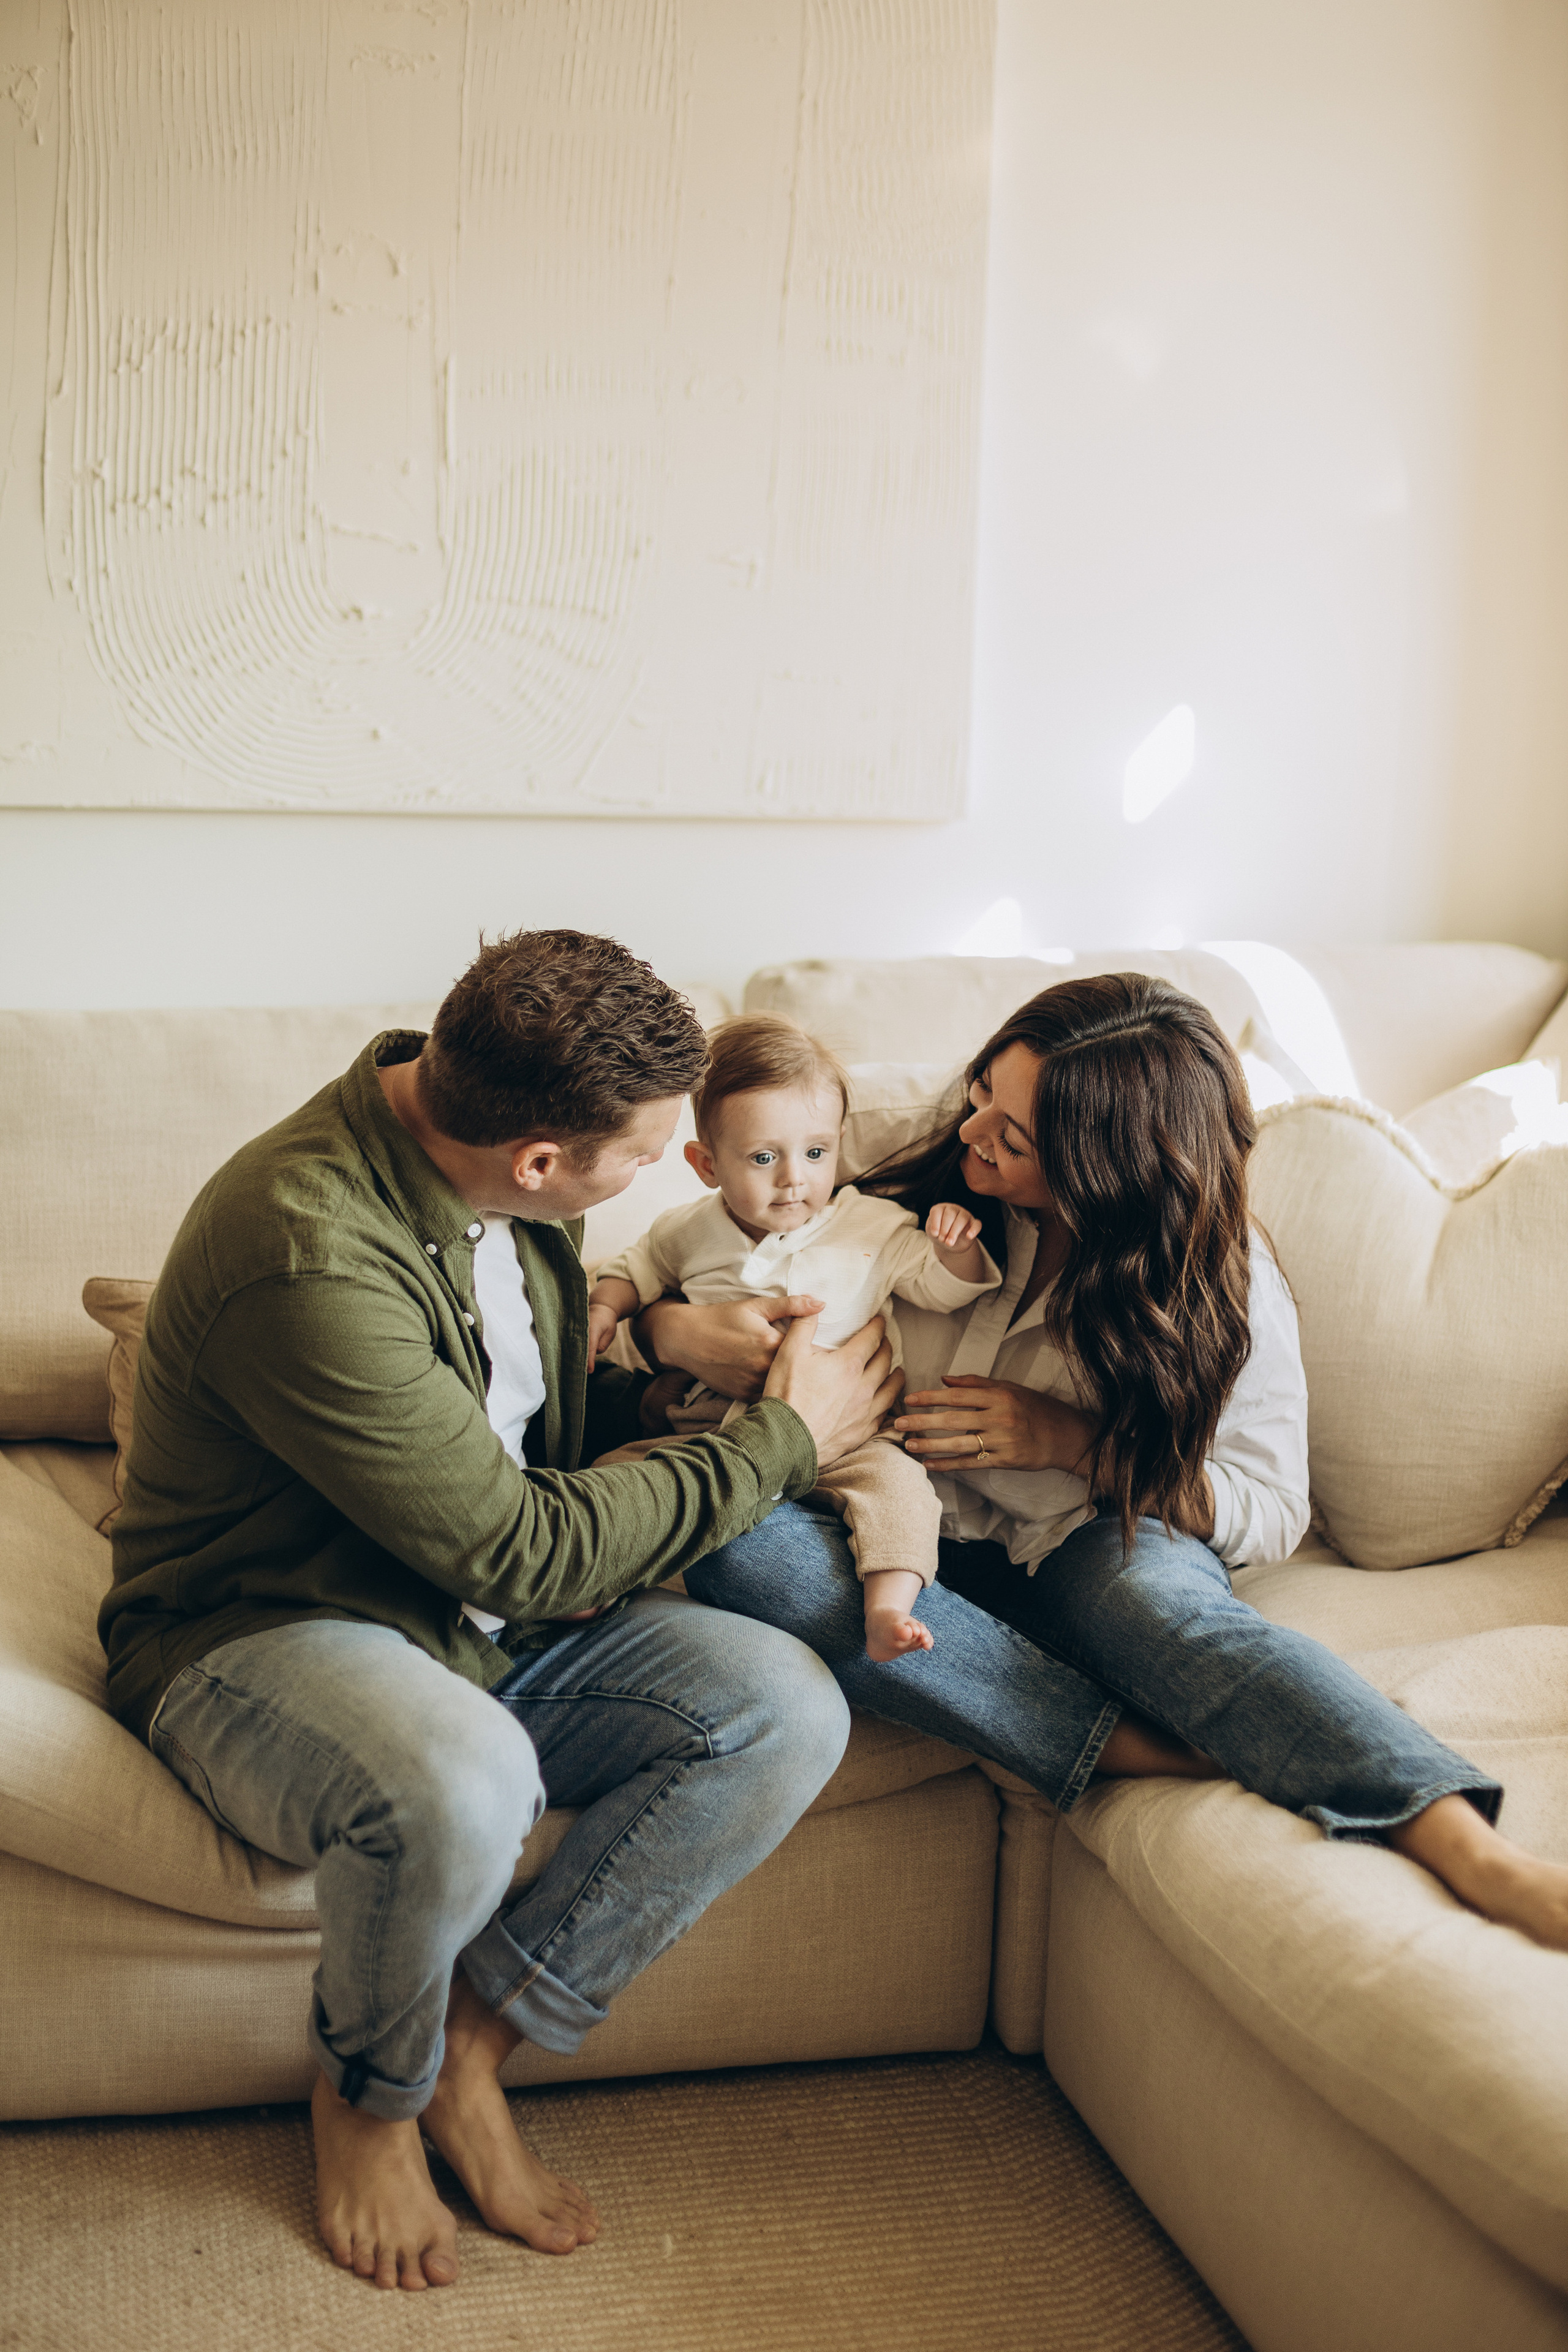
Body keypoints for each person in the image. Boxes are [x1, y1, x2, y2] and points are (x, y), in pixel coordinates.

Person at [97, 929, 901, 2293]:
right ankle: (368, 2093)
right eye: (644, 1153)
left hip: (472, 1624)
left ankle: (474, 2046)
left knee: (780, 1707)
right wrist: (784, 1437)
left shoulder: (510, 1180)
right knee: (463, 1781)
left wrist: (652, 1345)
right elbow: (524, 1547)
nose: (665, 1173)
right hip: (266, 1634)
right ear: (539, 1158)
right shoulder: (304, 1249)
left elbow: (532, 1438)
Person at [647, 974, 1568, 1952]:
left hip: (1081, 1535)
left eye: (1013, 1136)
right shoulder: (902, 1135)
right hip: (885, 1522)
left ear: (1108, 1166)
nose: (973, 1136)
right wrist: (679, 1332)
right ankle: (1107, 1741)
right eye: (981, 1097)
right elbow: (695, 1233)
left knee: (1163, 1614)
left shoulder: (1219, 1278)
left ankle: (1463, 1842)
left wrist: (1070, 1442)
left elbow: (1270, 1509)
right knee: (737, 1541)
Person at [588, 1014, 1001, 1662]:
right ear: (705, 1164)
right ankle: (597, 1586)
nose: (794, 1179)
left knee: (902, 1496)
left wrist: (955, 1251)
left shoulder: (872, 1224)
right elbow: (635, 1271)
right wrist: (606, 1308)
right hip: (706, 1433)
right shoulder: (687, 1230)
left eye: (816, 1153)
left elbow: (943, 1289)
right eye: (762, 1158)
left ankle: (888, 1608)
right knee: (612, 1476)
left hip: (852, 1437)